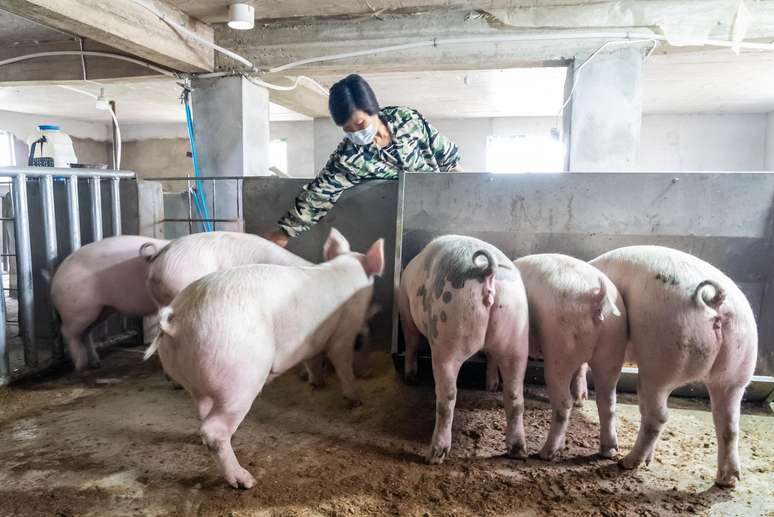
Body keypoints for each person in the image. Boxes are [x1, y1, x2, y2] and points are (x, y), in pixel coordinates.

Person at [267, 74, 463, 246]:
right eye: (347, 129)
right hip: (401, 229)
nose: (356, 133)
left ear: (373, 109)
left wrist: (465, 196)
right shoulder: (348, 157)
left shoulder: (407, 120)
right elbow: (320, 193)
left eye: (360, 123)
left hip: (441, 214)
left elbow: (450, 160)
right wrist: (284, 232)